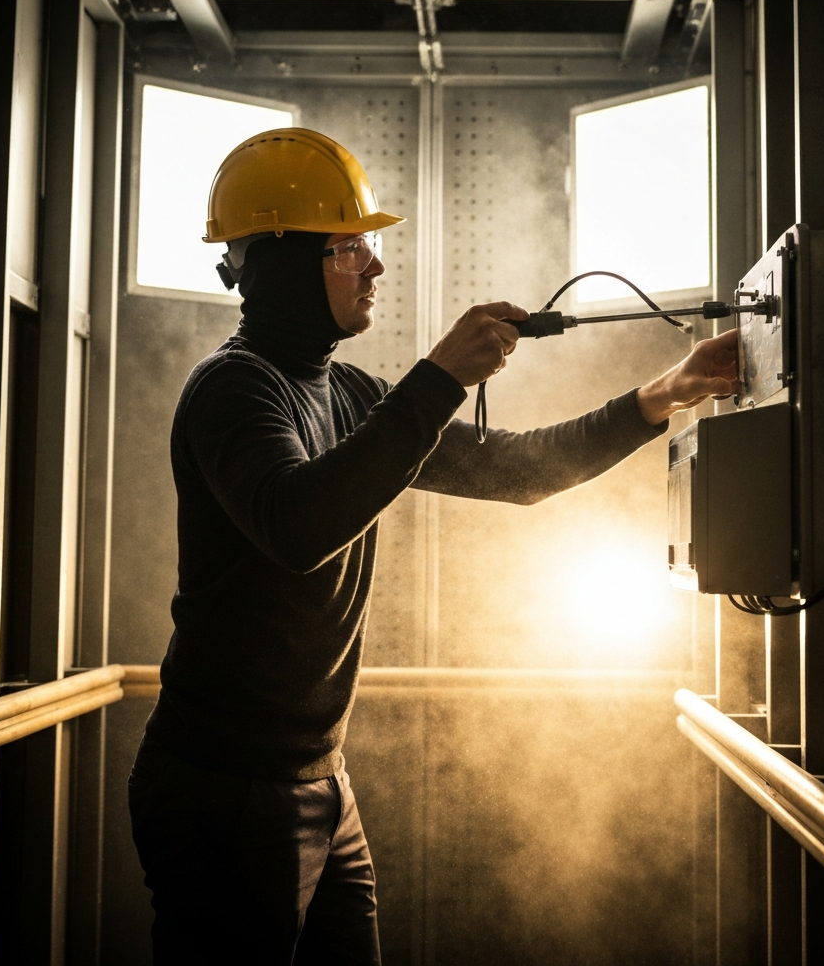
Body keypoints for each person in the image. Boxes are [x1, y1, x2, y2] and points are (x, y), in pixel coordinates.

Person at [128, 128, 738, 965]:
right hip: (226, 789)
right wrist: (440, 378)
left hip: (316, 778)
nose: (375, 267)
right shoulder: (232, 391)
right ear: (279, 262)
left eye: (370, 246)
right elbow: (299, 527)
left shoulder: (347, 391)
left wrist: (668, 393)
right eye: (350, 248)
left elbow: (519, 470)